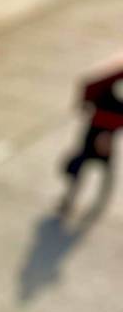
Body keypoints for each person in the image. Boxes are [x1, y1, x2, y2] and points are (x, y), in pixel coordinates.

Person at [59, 69, 123, 217]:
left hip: (104, 131)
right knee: (81, 169)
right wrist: (85, 102)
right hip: (95, 134)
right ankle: (69, 199)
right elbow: (90, 86)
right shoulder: (111, 82)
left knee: (105, 171)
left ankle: (93, 201)